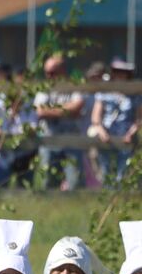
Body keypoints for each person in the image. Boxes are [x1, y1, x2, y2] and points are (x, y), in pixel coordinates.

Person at [34, 55, 86, 190]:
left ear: (63, 71)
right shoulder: (43, 88)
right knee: (48, 183)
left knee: (74, 182)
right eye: (46, 73)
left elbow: (77, 106)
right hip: (49, 140)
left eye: (52, 73)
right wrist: (66, 110)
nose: (48, 76)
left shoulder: (74, 86)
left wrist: (51, 110)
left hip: (72, 140)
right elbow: (40, 111)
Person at [89, 59, 137, 184]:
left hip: (126, 138)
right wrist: (102, 132)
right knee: (106, 173)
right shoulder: (104, 93)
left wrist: (130, 134)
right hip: (107, 137)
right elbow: (96, 117)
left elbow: (139, 119)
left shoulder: (134, 95)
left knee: (123, 173)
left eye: (123, 73)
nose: (119, 76)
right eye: (117, 72)